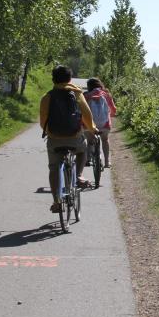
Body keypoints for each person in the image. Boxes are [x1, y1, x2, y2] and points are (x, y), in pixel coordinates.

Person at [39, 65, 96, 212]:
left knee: (53, 168)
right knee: (82, 151)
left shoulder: (47, 97)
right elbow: (87, 116)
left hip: (54, 139)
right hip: (74, 137)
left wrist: (50, 132)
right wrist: (92, 129)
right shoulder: (77, 94)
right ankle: (78, 176)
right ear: (70, 79)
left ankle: (57, 201)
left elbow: (42, 121)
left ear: (53, 79)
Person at [84, 78, 117, 168]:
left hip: (89, 125)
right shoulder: (106, 95)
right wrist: (111, 114)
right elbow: (114, 110)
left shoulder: (86, 95)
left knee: (90, 140)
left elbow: (81, 110)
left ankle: (88, 159)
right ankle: (107, 162)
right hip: (104, 125)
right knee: (105, 140)